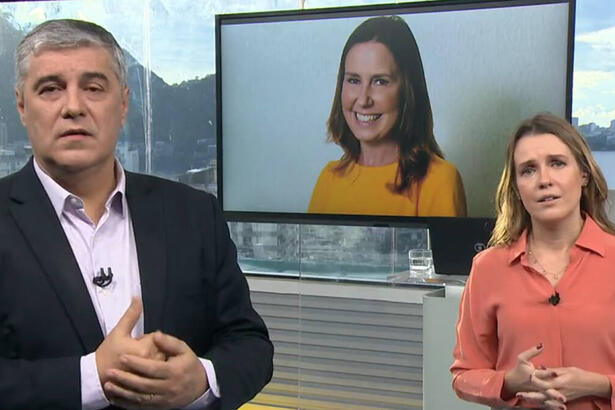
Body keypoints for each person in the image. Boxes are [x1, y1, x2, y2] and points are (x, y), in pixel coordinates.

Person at [0, 19, 273, 409]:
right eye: (51, 89)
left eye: (94, 88)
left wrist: (203, 378)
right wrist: (92, 376)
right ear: (22, 106)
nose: (73, 107)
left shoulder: (193, 214)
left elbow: (250, 344)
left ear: (124, 104)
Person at [451, 113, 615, 409]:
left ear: (583, 174)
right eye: (528, 170)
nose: (544, 180)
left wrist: (599, 385)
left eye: (557, 163)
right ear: (515, 187)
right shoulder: (488, 268)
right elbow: (464, 374)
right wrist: (510, 382)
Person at [307, 16, 466, 217]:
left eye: (380, 81)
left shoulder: (440, 180)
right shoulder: (328, 178)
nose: (363, 100)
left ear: (408, 91)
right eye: (354, 80)